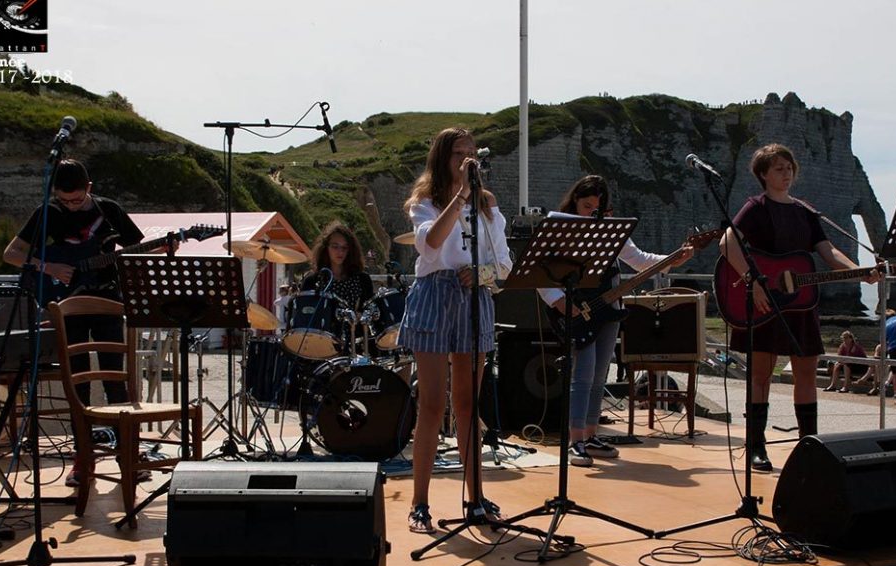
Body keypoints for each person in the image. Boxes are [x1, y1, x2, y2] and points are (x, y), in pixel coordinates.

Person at [719, 144, 878, 471]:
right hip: (765, 302)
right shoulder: (755, 207)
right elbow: (727, 242)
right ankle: (756, 446)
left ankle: (809, 446)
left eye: (789, 167)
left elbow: (828, 252)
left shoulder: (805, 211)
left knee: (805, 374)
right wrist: (753, 280)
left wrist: (860, 271)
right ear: (763, 174)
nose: (786, 173)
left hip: (802, 304)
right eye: (778, 168)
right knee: (761, 375)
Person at [399, 127, 512, 534]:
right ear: (442, 159)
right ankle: (420, 503)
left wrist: (482, 273)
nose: (466, 161)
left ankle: (475, 497)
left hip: (473, 296)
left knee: (467, 404)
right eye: (457, 154)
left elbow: (504, 263)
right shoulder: (424, 202)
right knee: (432, 404)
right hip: (434, 293)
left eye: (471, 153)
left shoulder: (488, 204)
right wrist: (461, 195)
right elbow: (430, 244)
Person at [537, 175, 693, 467]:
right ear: (574, 203)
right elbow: (541, 270)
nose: (591, 213)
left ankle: (590, 434)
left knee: (600, 375)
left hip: (608, 307)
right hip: (577, 308)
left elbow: (639, 259)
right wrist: (559, 301)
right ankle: (575, 439)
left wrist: (673, 259)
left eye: (597, 209)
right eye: (586, 206)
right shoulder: (562, 228)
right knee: (583, 374)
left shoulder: (612, 230)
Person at [2, 159, 146, 406]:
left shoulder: (109, 210)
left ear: (89, 187)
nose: (70, 206)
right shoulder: (48, 212)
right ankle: (81, 428)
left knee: (113, 374)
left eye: (76, 200)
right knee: (77, 375)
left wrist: (164, 248)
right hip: (67, 301)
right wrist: (49, 267)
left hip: (106, 299)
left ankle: (119, 427)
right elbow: (11, 253)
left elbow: (137, 251)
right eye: (64, 200)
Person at [295, 222, 375, 346]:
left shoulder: (362, 279)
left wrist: (362, 315)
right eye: (335, 246)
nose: (340, 252)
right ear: (325, 248)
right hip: (321, 343)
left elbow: (371, 308)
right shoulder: (313, 280)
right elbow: (305, 314)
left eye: (344, 248)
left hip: (356, 343)